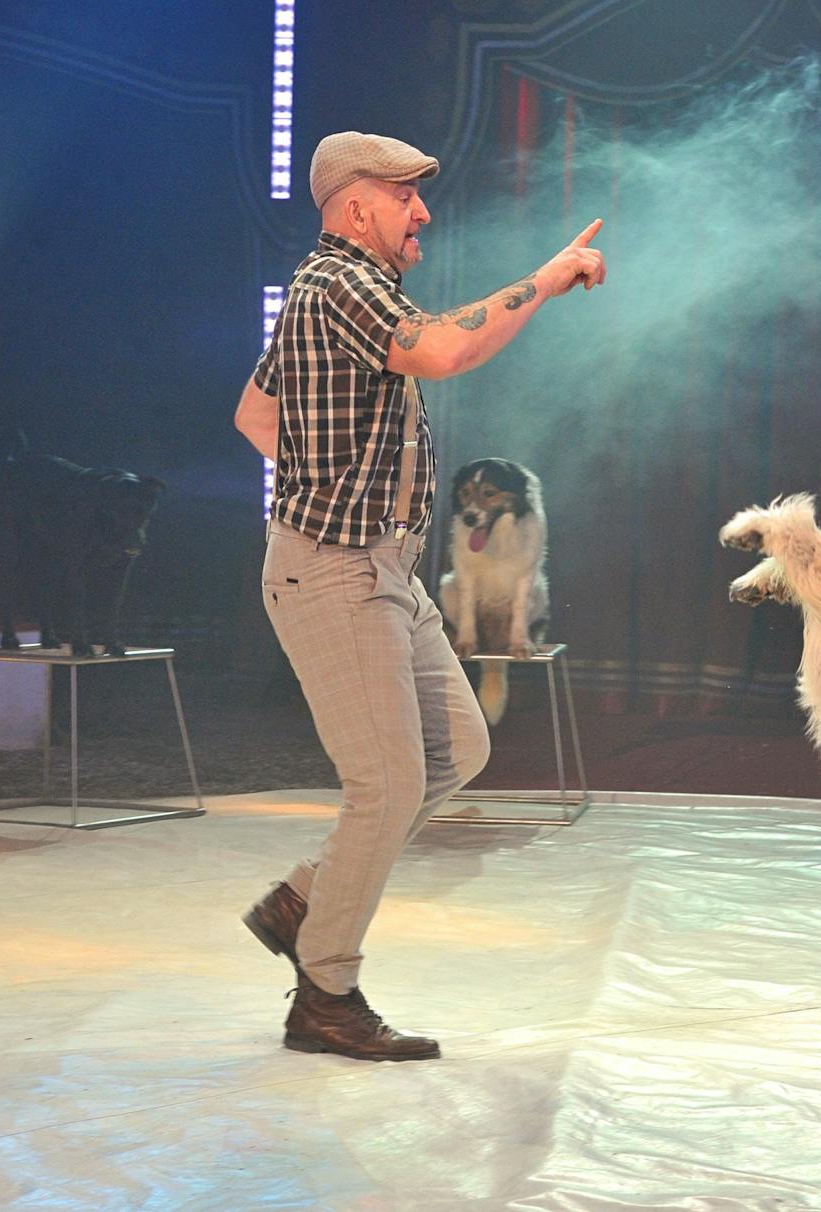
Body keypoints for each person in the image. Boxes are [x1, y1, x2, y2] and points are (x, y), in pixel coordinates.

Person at [233, 130, 606, 1062]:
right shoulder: (341, 284)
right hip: (336, 568)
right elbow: (442, 352)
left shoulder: (334, 293)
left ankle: (306, 898)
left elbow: (255, 415)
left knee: (458, 748)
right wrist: (550, 278)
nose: (424, 211)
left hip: (379, 567)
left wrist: (328, 471)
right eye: (407, 196)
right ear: (357, 205)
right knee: (389, 781)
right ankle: (326, 991)